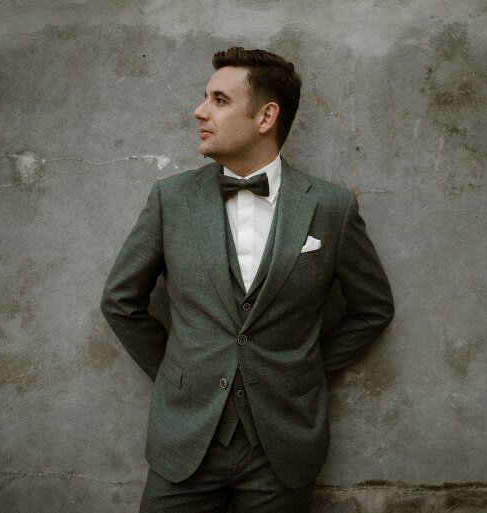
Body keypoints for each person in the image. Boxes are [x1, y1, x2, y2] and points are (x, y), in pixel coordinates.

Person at [100, 47, 394, 513]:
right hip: (187, 438)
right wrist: (181, 373)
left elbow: (373, 308)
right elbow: (120, 301)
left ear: (265, 117)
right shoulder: (171, 200)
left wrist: (306, 369)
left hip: (281, 444)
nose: (200, 111)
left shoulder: (331, 208)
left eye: (219, 100)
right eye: (206, 98)